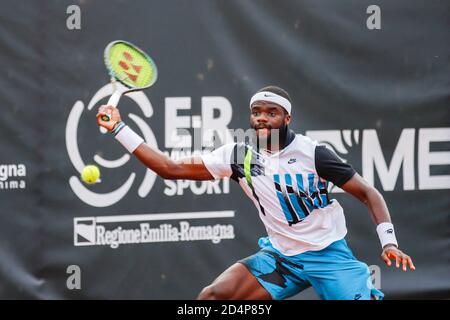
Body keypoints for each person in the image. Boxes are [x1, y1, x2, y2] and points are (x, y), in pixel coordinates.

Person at [96, 85, 415, 300]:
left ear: (287, 118)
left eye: (271, 112)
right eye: (257, 111)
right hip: (280, 259)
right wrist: (118, 129)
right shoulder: (239, 157)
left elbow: (368, 193)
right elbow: (170, 168)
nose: (261, 117)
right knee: (213, 298)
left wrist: (389, 242)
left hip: (327, 256)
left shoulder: (314, 154)